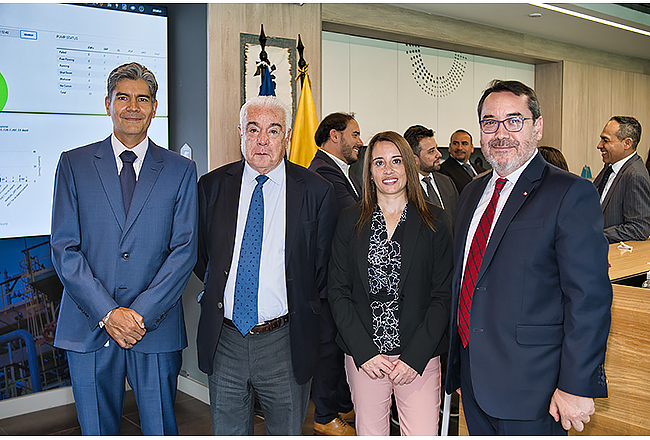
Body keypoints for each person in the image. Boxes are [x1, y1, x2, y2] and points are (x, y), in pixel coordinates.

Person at [445, 79, 612, 435]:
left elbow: (589, 299)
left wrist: (576, 385)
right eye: (490, 122)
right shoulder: (471, 193)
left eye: (514, 120)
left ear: (537, 126)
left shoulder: (569, 193)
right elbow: (466, 281)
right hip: (474, 383)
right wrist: (460, 366)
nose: (501, 133)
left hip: (536, 390)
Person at [50, 62, 198, 435]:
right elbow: (65, 248)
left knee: (160, 428)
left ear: (154, 107)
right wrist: (108, 313)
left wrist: (139, 315)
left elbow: (183, 251)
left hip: (155, 327)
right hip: (89, 325)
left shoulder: (180, 170)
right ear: (108, 103)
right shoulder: (74, 164)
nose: (133, 106)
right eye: (123, 97)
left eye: (142, 99)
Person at [194, 96, 337, 435]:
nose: (262, 140)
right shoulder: (212, 186)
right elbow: (204, 259)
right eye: (253, 129)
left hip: (285, 341)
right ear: (240, 133)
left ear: (287, 136)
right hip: (225, 339)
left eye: (273, 131)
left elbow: (322, 270)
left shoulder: (317, 191)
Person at [328, 131, 452, 436]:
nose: (389, 170)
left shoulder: (435, 222)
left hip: (418, 356)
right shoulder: (349, 220)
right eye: (379, 162)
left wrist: (415, 357)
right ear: (368, 170)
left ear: (408, 167)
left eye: (396, 161)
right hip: (367, 357)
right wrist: (364, 352)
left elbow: (444, 295)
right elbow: (338, 291)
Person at [308, 112, 362, 436]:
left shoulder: (340, 171)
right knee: (328, 350)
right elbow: (354, 220)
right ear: (334, 135)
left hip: (337, 281)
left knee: (339, 347)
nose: (359, 141)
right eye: (354, 134)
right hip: (326, 282)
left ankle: (342, 405)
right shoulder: (324, 172)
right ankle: (325, 416)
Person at [592, 116, 650, 243]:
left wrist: (595, 235)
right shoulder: (609, 167)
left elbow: (639, 228)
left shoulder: (635, 175)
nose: (599, 145)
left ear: (627, 143)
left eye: (605, 140)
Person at [404, 124, 458, 227]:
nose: (439, 155)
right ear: (414, 159)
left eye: (436, 148)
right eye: (431, 151)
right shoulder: (403, 189)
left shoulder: (447, 182)